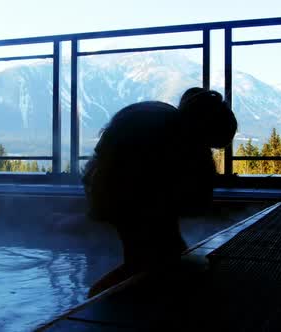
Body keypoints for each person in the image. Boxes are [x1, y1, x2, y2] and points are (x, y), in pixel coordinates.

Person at [83, 87, 237, 297]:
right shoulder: (169, 136)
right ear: (205, 128)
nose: (209, 150)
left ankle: (118, 300)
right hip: (118, 188)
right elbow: (188, 197)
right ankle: (96, 303)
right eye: (211, 144)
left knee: (167, 253)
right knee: (143, 261)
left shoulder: (169, 124)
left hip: (113, 184)